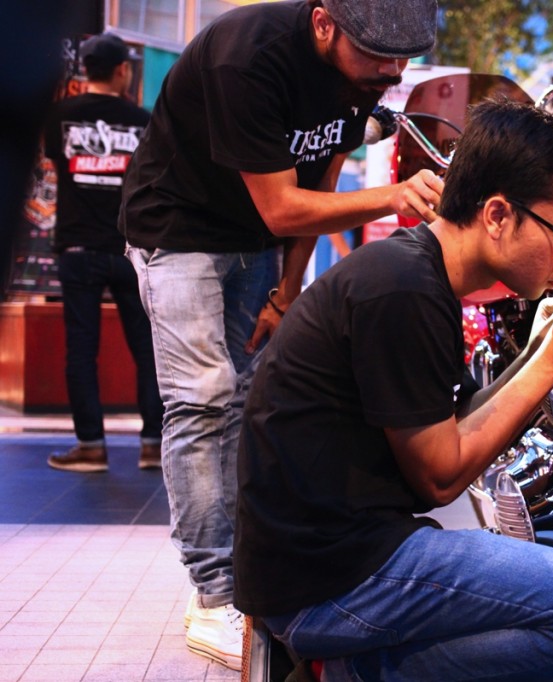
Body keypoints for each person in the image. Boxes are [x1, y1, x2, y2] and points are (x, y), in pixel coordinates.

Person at [234, 99, 553, 681]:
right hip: (329, 580)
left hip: (332, 559)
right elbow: (441, 477)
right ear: (498, 215)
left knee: (552, 650)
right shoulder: (402, 290)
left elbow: (448, 430)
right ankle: (348, 673)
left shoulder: (413, 274)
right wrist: (549, 364)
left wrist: (533, 354)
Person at [117, 0, 443, 670]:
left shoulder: (359, 79)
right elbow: (283, 203)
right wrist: (392, 197)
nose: (392, 70)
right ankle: (213, 594)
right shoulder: (250, 56)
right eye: (379, 54)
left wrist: (286, 292)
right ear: (324, 24)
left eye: (403, 56)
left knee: (240, 400)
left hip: (252, 243)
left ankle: (242, 574)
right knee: (202, 399)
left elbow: (318, 175)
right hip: (175, 231)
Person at [43, 33, 163, 473]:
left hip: (77, 247)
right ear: (121, 72)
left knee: (81, 348)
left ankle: (91, 446)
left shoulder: (59, 116)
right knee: (146, 347)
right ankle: (153, 444)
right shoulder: (143, 120)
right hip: (131, 247)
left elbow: (56, 159)